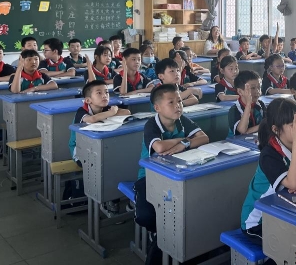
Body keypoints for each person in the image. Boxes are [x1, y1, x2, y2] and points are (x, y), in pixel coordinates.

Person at [240, 99, 296, 245]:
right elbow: (295, 184)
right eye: (293, 125)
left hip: (286, 213)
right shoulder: (269, 154)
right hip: (259, 222)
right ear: (276, 129)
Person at [135, 84, 209, 263]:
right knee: (147, 216)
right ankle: (159, 235)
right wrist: (185, 139)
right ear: (157, 107)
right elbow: (159, 147)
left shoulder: (183, 120)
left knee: (186, 210)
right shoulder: (152, 124)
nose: (178, 106)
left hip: (176, 175)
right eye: (171, 102)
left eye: (180, 101)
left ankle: (173, 242)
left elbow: (204, 138)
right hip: (149, 177)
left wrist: (184, 145)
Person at [69, 80, 130, 216]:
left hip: (100, 149)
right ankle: (105, 199)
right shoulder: (82, 111)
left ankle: (111, 197)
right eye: (99, 93)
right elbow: (92, 119)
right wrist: (111, 112)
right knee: (106, 167)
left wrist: (113, 111)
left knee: (120, 162)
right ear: (88, 100)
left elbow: (127, 112)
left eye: (106, 92)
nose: (104, 96)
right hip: (80, 151)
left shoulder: (106, 108)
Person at [228, 70, 265, 137]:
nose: (257, 91)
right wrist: (248, 104)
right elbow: (242, 130)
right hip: (237, 142)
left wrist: (248, 131)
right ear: (240, 92)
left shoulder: (260, 104)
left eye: (259, 87)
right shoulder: (234, 109)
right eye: (252, 88)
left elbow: (268, 123)